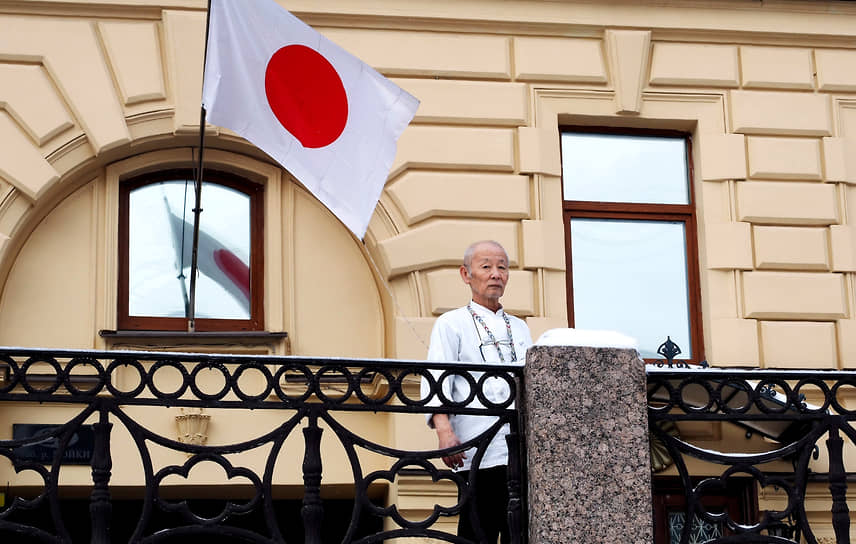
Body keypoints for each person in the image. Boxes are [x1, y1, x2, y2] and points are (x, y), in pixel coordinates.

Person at [421, 240, 533, 544]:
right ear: (466, 274)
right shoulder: (451, 323)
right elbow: (437, 377)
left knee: (519, 532)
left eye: (502, 267)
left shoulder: (521, 328)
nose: (496, 274)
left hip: (518, 449)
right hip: (476, 449)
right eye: (486, 267)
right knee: (477, 532)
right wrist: (444, 431)